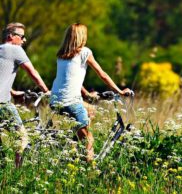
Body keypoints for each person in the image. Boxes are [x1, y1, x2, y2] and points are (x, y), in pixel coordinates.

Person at [50, 23, 132, 162]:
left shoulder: (61, 55)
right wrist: (120, 91)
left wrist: (86, 93)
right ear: (82, 37)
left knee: (90, 110)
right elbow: (102, 74)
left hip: (55, 100)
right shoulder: (85, 52)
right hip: (71, 101)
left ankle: (73, 145)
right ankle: (90, 170)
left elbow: (70, 78)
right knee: (89, 139)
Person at [0, 22, 49, 168]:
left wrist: (13, 91)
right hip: (2, 104)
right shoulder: (15, 50)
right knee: (22, 138)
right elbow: (32, 72)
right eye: (22, 36)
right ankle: (17, 172)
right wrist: (46, 91)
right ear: (11, 37)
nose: (24, 40)